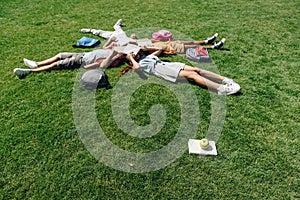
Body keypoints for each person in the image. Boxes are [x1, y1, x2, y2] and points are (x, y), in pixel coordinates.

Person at [122, 49, 240, 95]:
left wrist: (151, 49)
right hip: (163, 70)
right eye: (131, 55)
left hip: (168, 64)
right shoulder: (137, 65)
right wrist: (131, 58)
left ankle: (225, 80)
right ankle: (221, 89)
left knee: (196, 69)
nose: (133, 53)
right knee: (192, 75)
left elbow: (158, 52)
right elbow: (137, 69)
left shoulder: (144, 58)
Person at [13, 49, 125, 78]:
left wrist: (113, 55)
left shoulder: (114, 61)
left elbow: (101, 65)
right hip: (81, 54)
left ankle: (28, 71)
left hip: (81, 60)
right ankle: (37, 63)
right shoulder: (114, 51)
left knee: (56, 64)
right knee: (60, 55)